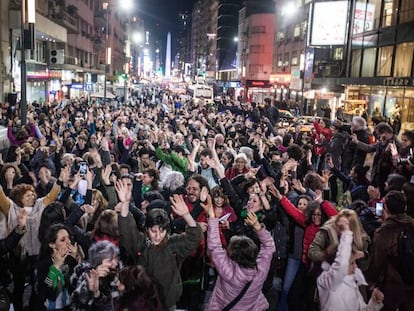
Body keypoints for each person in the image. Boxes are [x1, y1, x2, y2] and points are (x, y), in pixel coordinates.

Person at [116, 178, 203, 310]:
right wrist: (125, 204)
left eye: (161, 231)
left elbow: (194, 237)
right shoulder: (141, 243)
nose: (157, 236)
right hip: (143, 304)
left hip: (168, 303)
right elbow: (127, 232)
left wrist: (186, 215)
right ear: (146, 230)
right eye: (153, 231)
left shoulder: (173, 244)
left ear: (167, 231)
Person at [203, 195, 275, 311]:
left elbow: (214, 246)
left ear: (232, 254)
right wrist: (257, 226)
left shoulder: (227, 271)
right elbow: (269, 246)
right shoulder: (260, 270)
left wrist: (212, 217)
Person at [317, 216, 384, 311]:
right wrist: (346, 233)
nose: (355, 267)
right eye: (352, 263)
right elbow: (341, 265)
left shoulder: (352, 283)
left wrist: (374, 302)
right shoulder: (327, 281)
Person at [366, 190, 414, 310]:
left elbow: (377, 262)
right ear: (405, 207)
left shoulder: (383, 232)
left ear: (385, 207)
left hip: (392, 286)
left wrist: (371, 283)